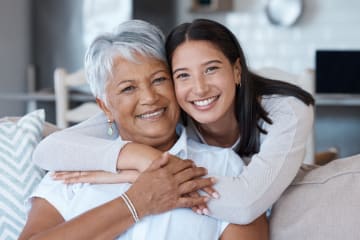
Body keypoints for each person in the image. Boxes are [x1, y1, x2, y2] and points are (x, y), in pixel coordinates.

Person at [33, 18, 314, 224]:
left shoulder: (286, 110)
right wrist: (141, 157)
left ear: (237, 70)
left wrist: (142, 175)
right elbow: (48, 149)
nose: (200, 89)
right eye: (182, 75)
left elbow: (244, 205)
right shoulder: (167, 110)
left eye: (211, 69)